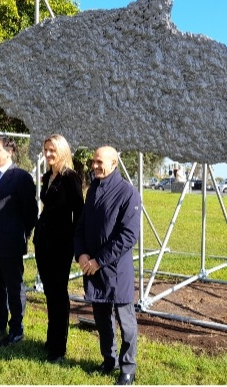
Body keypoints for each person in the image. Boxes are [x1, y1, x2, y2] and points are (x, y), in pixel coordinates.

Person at [74, 146, 141, 386]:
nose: (94, 166)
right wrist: (81, 254)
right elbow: (80, 226)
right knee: (102, 319)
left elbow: (129, 235)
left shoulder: (128, 193)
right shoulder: (92, 189)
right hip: (92, 268)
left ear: (114, 164)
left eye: (100, 162)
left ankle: (127, 368)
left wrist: (98, 260)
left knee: (126, 323)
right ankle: (108, 360)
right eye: (93, 161)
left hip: (115, 270)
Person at [0, 136, 38, 346]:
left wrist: (21, 234)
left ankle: (16, 329)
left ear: (10, 152)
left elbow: (31, 213)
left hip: (11, 243)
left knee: (14, 288)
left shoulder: (21, 177)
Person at [32, 134, 84, 363]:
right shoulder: (47, 176)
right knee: (49, 292)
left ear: (62, 151)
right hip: (43, 241)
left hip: (61, 244)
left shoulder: (70, 178)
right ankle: (51, 339)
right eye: (46, 149)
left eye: (53, 150)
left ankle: (58, 347)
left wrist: (74, 244)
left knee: (58, 294)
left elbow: (79, 214)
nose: (48, 153)